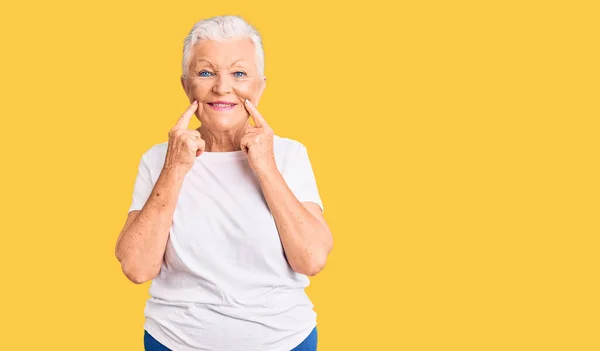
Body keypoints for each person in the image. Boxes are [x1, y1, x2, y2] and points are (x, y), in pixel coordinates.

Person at [115, 15, 333, 351]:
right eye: (205, 72)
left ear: (259, 85)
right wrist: (175, 168)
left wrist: (265, 166)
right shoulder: (158, 159)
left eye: (239, 73)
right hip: (173, 342)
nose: (222, 87)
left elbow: (312, 259)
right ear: (187, 85)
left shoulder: (289, 155)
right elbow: (136, 267)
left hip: (284, 342)